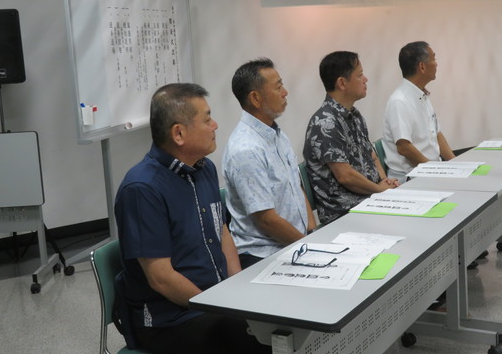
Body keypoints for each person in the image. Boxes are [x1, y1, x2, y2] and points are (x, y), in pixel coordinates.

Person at [114, 83, 270, 354]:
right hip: (169, 319)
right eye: (207, 119)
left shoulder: (204, 168)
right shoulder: (142, 189)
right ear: (179, 133)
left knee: (276, 304)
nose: (215, 125)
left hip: (214, 300)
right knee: (258, 335)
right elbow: (161, 278)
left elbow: (221, 230)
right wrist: (220, 305)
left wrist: (237, 289)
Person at [223, 58, 317, 268]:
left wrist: (312, 232)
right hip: (263, 254)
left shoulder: (276, 134)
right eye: (278, 87)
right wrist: (309, 246)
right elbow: (266, 220)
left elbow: (295, 186)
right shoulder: (246, 149)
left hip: (294, 243)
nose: (285, 92)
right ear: (255, 98)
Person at [303, 50, 398, 225]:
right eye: (360, 75)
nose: (366, 79)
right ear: (342, 83)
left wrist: (384, 181)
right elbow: (345, 176)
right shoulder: (325, 122)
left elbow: (372, 156)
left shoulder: (354, 115)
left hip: (370, 199)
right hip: (345, 213)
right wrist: (379, 190)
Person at [382, 41, 455, 183]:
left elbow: (437, 134)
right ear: (422, 66)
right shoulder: (399, 101)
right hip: (411, 177)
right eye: (433, 58)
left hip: (430, 170)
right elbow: (404, 147)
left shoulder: (422, 95)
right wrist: (434, 170)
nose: (436, 64)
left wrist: (455, 163)